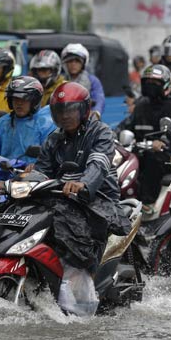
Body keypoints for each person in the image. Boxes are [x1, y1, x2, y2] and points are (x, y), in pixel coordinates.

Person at [35, 82, 130, 316]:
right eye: (60, 112)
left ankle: (81, 299)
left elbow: (98, 164)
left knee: (76, 240)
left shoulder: (101, 133)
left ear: (83, 110)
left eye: (70, 110)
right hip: (63, 198)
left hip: (99, 200)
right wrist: (19, 180)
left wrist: (84, 183)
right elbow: (42, 170)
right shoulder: (54, 139)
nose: (65, 116)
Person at [115, 64, 171, 212]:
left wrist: (163, 141)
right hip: (139, 149)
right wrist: (111, 134)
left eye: (155, 83)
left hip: (167, 153)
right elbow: (127, 124)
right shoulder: (142, 103)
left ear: (166, 84)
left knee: (152, 158)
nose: (150, 86)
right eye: (147, 83)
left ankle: (148, 203)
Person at [61, 43, 105, 115]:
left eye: (77, 61)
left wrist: (96, 112)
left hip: (86, 119)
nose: (73, 64)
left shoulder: (92, 80)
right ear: (65, 63)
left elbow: (99, 98)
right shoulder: (60, 80)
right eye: (70, 61)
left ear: (83, 63)